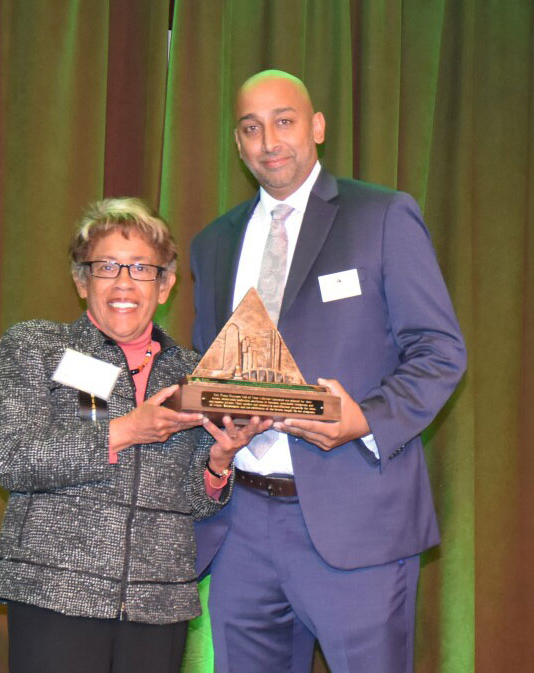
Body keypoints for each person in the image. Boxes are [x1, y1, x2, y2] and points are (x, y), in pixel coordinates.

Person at [190, 70, 467, 672]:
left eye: (284, 121)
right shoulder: (213, 244)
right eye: (251, 128)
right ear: (237, 143)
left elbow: (439, 351)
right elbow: (207, 366)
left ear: (316, 126)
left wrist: (364, 419)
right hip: (242, 529)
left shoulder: (382, 215)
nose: (269, 141)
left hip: (357, 522)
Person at [0, 197, 270, 673]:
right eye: (106, 267)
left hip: (158, 604)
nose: (123, 282)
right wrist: (125, 430)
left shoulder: (194, 374)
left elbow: (195, 504)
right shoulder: (38, 346)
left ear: (165, 285)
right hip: (56, 592)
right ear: (81, 281)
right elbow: (10, 458)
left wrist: (218, 464)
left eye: (141, 268)